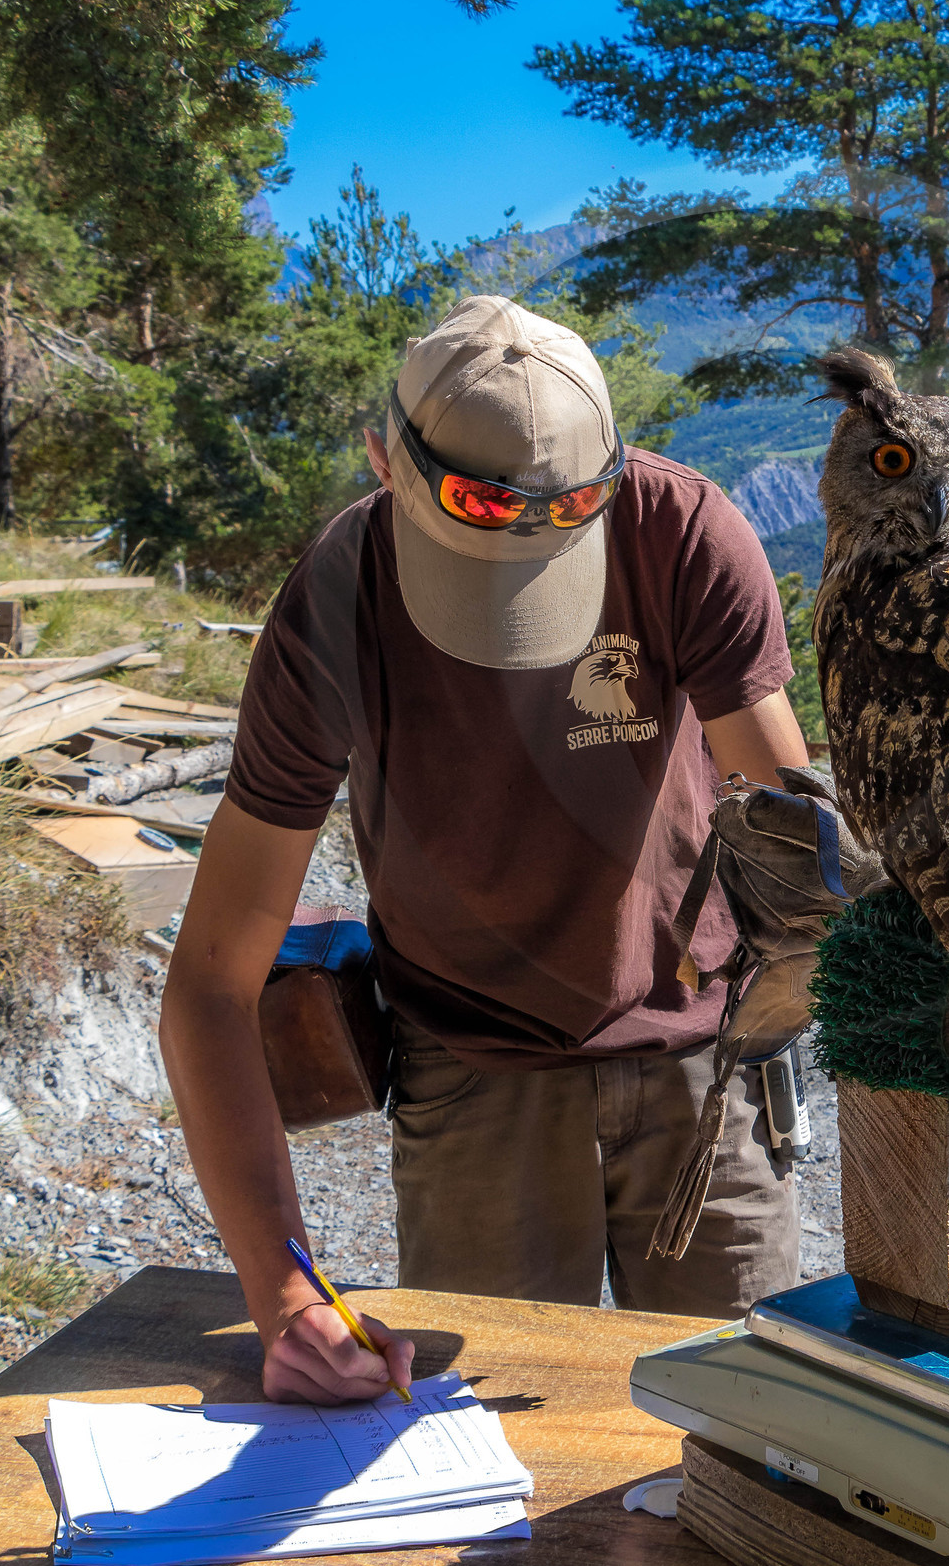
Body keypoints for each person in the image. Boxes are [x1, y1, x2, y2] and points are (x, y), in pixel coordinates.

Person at [160, 296, 808, 1405]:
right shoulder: (336, 604)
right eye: (478, 523)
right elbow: (212, 983)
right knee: (488, 1466)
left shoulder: (681, 531)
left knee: (744, 1432)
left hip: (703, 1063)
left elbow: (798, 852)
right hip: (473, 1068)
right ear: (383, 461)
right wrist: (288, 1298)